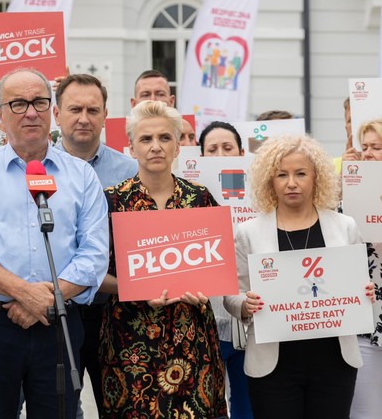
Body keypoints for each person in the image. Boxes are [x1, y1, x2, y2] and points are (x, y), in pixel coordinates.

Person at [0, 68, 109, 419]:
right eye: (18, 104)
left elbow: (94, 254)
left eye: (39, 102)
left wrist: (46, 301)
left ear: (52, 109)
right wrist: (24, 293)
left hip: (58, 324)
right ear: (0, 113)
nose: (31, 112)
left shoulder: (81, 175)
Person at [223, 134, 372, 419]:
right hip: (272, 366)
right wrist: (245, 304)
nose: (291, 182)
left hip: (335, 362)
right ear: (270, 180)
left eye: (301, 173)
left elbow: (360, 285)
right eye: (282, 174)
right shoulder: (249, 232)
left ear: (316, 177)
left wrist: (364, 293)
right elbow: (232, 294)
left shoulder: (344, 226)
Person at [98, 100, 227, 419]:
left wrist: (204, 289)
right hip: (131, 341)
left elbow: (216, 265)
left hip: (191, 337)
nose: (155, 146)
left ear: (178, 146)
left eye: (165, 137)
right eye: (146, 139)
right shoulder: (111, 201)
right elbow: (91, 273)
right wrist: (135, 288)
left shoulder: (200, 198)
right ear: (131, 148)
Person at [51, 73, 136, 416]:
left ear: (105, 115)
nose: (84, 118)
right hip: (57, 312)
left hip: (115, 312)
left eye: (92, 110)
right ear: (57, 114)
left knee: (119, 407)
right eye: (75, 109)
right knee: (59, 409)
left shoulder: (131, 171)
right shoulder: (34, 171)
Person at [198, 121, 253, 419]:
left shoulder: (262, 193)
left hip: (249, 315)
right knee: (210, 404)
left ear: (242, 153)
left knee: (247, 403)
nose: (220, 154)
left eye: (227, 147)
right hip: (209, 316)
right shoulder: (190, 198)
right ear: (201, 156)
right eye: (212, 149)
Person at [348, 119, 382, 419]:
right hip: (367, 324)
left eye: (377, 147)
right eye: (365, 147)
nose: (368, 153)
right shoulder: (348, 201)